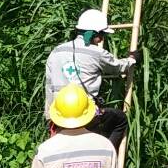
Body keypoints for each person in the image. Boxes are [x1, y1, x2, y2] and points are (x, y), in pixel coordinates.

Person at [44, 8, 135, 147]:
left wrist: (49, 117)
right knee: (119, 119)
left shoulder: (56, 51)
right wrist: (132, 59)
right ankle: (107, 153)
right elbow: (118, 67)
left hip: (60, 115)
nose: (102, 39)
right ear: (93, 34)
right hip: (84, 115)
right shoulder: (96, 53)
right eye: (101, 34)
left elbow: (49, 87)